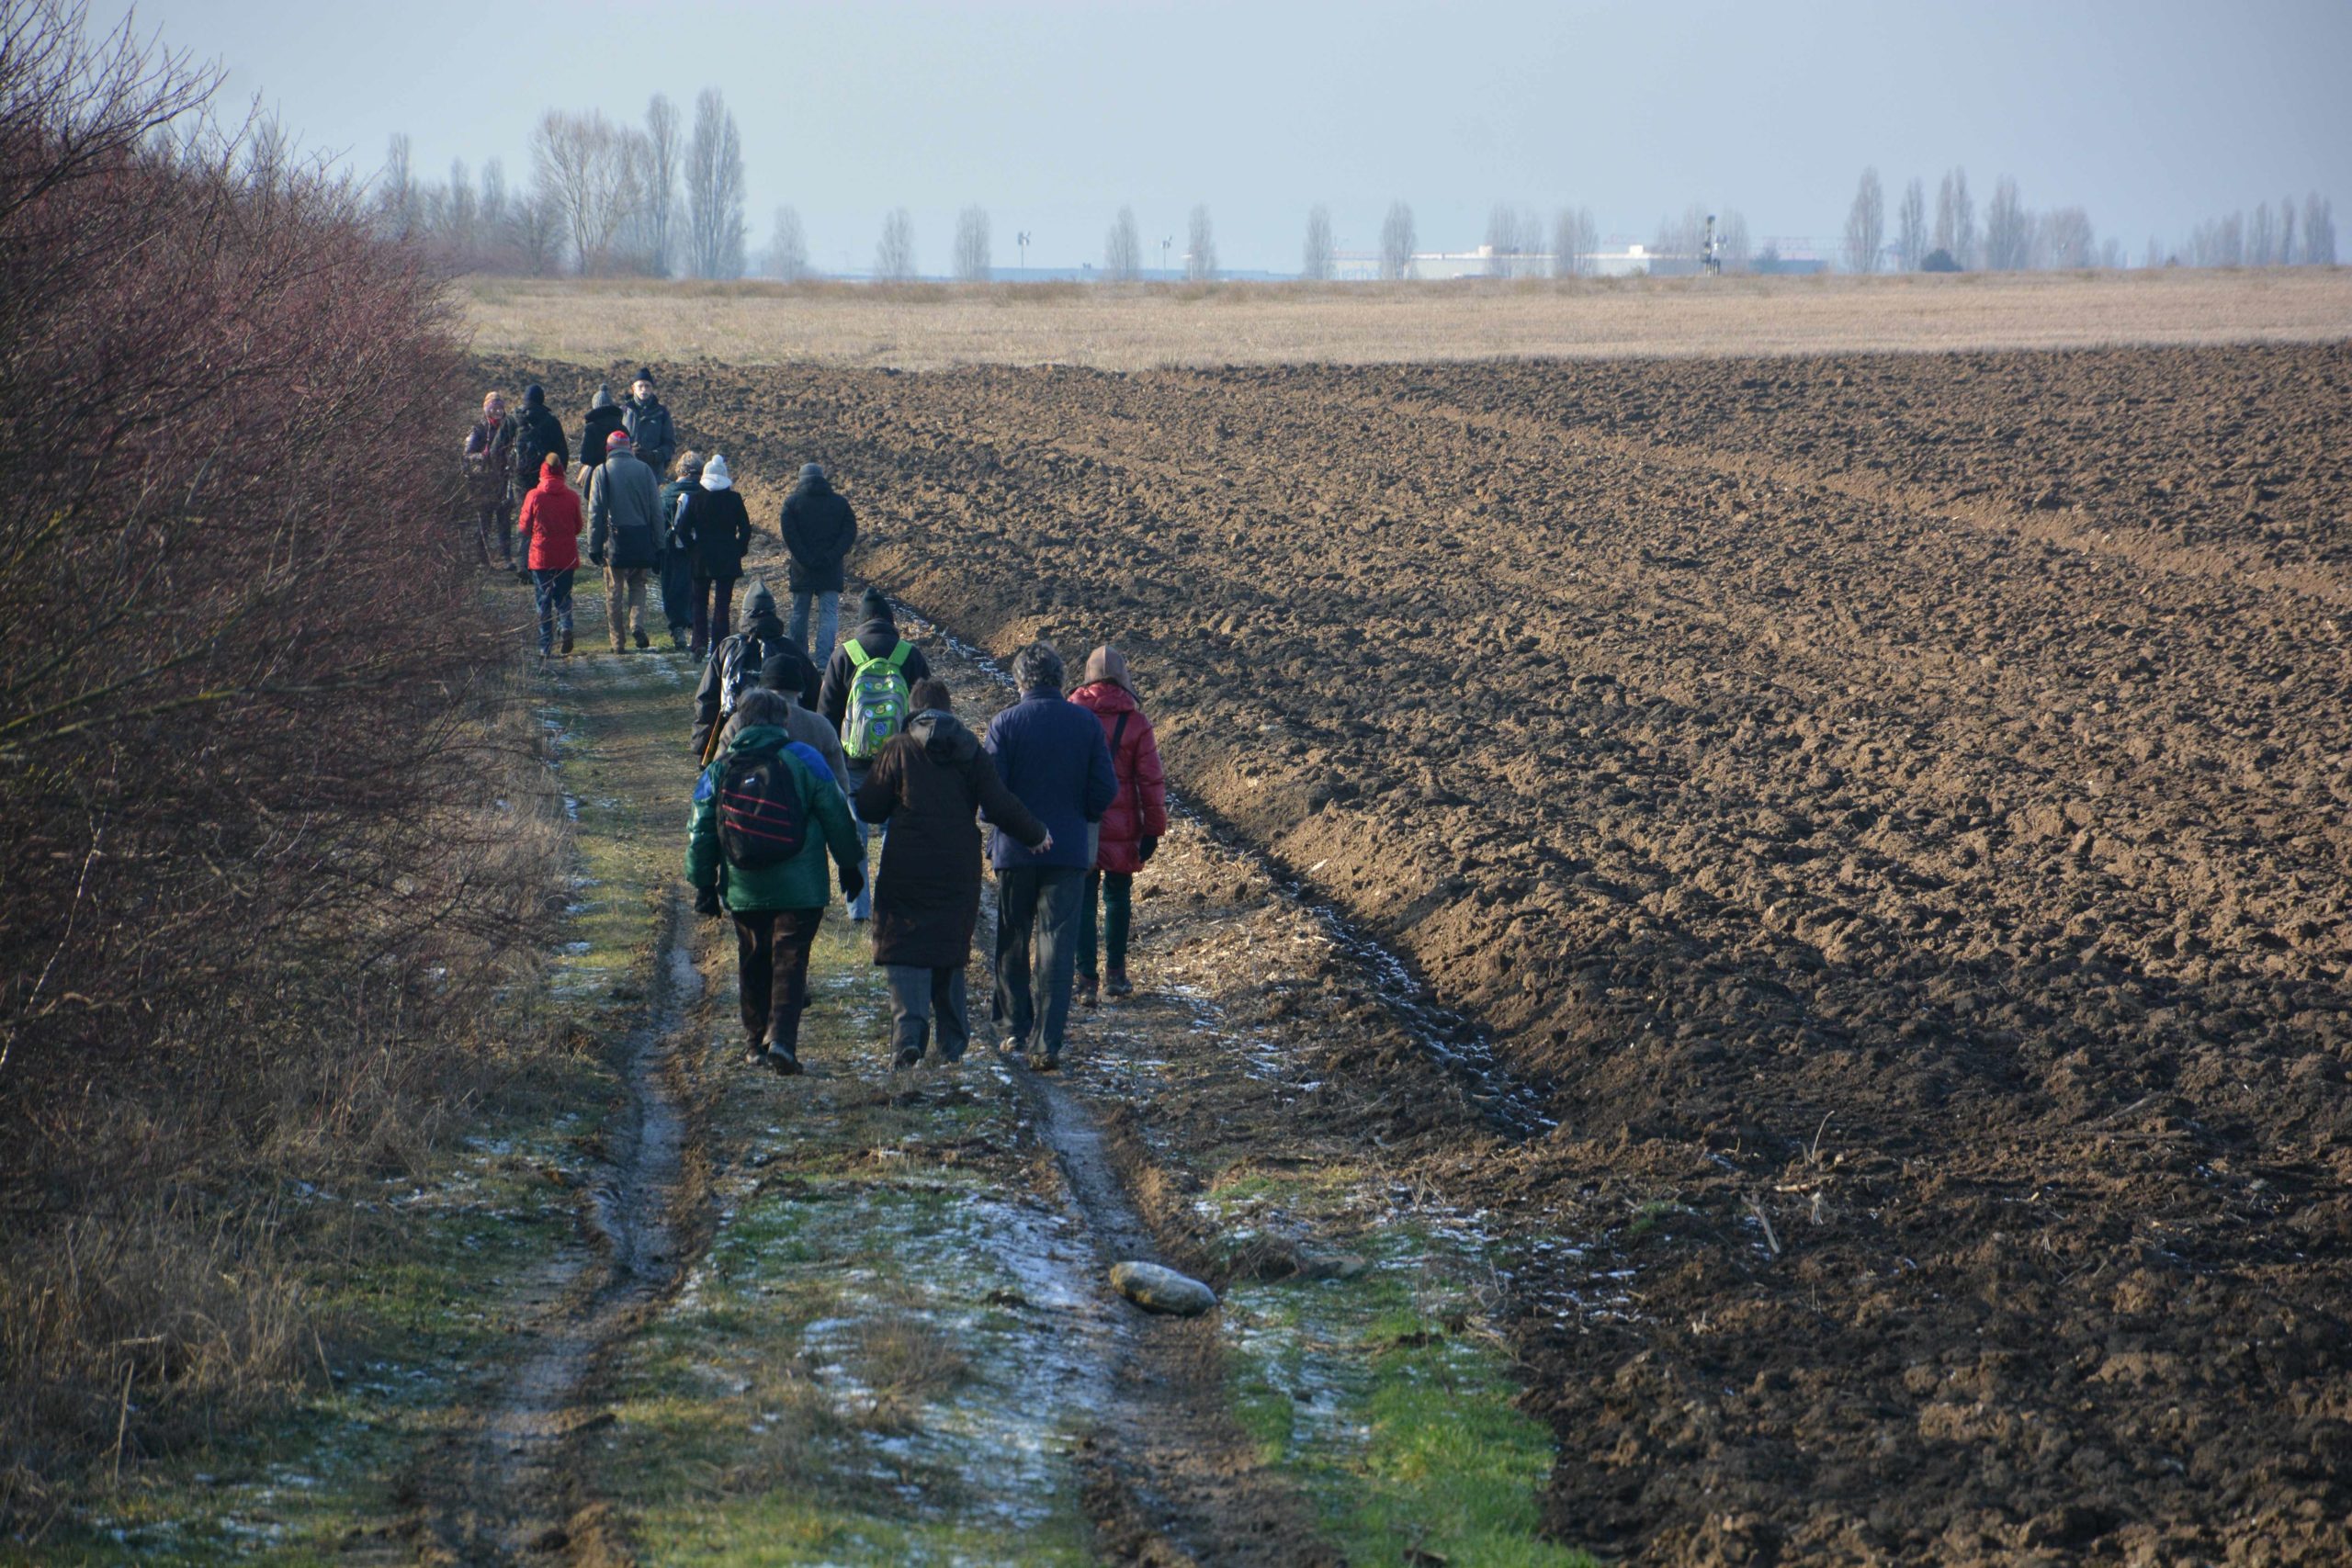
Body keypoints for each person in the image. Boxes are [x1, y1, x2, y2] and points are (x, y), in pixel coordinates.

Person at [855, 679, 1051, 1069]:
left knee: (905, 946)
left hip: (906, 863)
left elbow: (871, 808)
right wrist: (1036, 833)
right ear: (950, 708)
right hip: (957, 865)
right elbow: (998, 804)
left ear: (912, 710)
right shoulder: (970, 749)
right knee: (949, 949)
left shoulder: (898, 747)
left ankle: (908, 1038)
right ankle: (952, 1044)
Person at [686, 687, 865, 1075]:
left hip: (744, 885)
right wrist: (850, 865)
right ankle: (781, 1040)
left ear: (742, 722)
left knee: (753, 959)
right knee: (790, 959)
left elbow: (701, 829)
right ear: (784, 720)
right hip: (801, 888)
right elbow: (837, 812)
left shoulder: (720, 768)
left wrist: (704, 884)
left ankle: (754, 1044)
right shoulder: (807, 760)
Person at [982, 641, 1115, 1071]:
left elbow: (989, 798)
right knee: (1057, 945)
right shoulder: (1086, 724)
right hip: (1068, 851)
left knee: (1013, 939)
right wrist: (1080, 817)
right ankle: (1047, 1042)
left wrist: (1020, 828)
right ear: (1060, 679)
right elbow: (1104, 791)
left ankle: (1012, 1028)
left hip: (1014, 852)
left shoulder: (1004, 724)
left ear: (1019, 681)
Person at [820, 588, 933, 920]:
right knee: (893, 832)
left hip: (852, 762)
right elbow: (927, 711)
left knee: (852, 832)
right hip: (898, 761)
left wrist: (833, 757)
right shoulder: (908, 654)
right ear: (890, 621)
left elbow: (826, 712)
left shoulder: (845, 655)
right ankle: (890, 903)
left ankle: (858, 908)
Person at [1069, 647, 1169, 1006]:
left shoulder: (1072, 716)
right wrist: (1153, 829)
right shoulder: (1137, 723)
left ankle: (1085, 980)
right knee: (1118, 895)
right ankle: (1116, 975)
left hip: (1083, 822)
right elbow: (1151, 782)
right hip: (1124, 823)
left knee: (1082, 897)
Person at [692, 582, 815, 761]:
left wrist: (701, 745)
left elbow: (706, 700)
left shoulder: (728, 648)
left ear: (744, 614)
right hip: (785, 739)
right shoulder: (791, 650)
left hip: (735, 735)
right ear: (773, 613)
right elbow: (813, 696)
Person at [718, 650, 849, 794]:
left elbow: (716, 775)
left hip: (744, 809)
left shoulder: (739, 721)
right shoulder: (820, 726)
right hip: (803, 812)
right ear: (800, 692)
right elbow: (840, 784)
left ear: (761, 689)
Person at [674, 453, 754, 659]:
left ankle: (699, 643)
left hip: (701, 558)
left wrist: (693, 548)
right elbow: (745, 528)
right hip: (727, 557)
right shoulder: (734, 499)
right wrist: (739, 549)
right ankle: (721, 646)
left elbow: (682, 529)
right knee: (722, 605)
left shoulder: (695, 499)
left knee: (699, 603)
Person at [587, 430, 661, 651]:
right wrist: (659, 544)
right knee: (638, 584)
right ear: (629, 449)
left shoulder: (602, 472)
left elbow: (595, 512)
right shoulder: (645, 470)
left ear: (608, 450)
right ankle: (636, 624)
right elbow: (656, 510)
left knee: (614, 591)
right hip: (641, 539)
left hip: (614, 542)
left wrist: (594, 545)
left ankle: (617, 642)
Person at [779, 462, 855, 660]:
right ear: (822, 478)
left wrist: (805, 558)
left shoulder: (792, 503)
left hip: (802, 569)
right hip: (830, 569)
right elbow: (849, 533)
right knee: (829, 615)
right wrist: (832, 556)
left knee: (799, 614)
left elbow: (790, 535)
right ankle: (824, 660)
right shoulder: (840, 504)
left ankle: (798, 657)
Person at [514, 452, 582, 668]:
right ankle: (566, 625)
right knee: (563, 596)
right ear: (562, 472)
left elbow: (524, 527)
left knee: (543, 600)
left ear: (543, 471)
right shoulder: (572, 496)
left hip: (541, 555)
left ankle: (545, 646)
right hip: (565, 554)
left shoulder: (534, 496)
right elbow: (579, 527)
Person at [510, 385, 570, 579]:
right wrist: (558, 477)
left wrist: (507, 471)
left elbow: (496, 449)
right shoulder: (551, 421)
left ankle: (523, 565)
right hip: (543, 478)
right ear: (542, 399)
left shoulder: (512, 419)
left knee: (525, 519)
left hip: (519, 477)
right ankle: (543, 564)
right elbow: (562, 452)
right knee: (544, 521)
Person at [655, 451, 704, 651]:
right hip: (698, 548)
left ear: (680, 470)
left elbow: (659, 522)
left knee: (672, 587)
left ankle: (677, 627)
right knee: (696, 587)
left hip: (672, 548)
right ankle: (696, 627)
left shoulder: (667, 493)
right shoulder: (704, 494)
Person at [461, 391, 516, 568]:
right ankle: (482, 560)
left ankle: (506, 559)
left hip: (504, 479)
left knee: (504, 521)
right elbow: (467, 455)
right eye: (493, 408)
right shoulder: (478, 429)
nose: (497, 412)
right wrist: (482, 457)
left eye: (500, 408)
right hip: (483, 482)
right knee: (483, 522)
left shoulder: (509, 427)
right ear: (486, 409)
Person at [622, 368, 675, 478]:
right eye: (640, 386)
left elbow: (669, 445)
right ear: (633, 388)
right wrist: (629, 451)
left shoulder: (661, 413)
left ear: (652, 388)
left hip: (652, 474)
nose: (644, 390)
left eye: (647, 386)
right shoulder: (623, 412)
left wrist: (653, 456)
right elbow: (614, 441)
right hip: (626, 472)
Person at [578, 384, 626, 499]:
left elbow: (585, 458)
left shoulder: (591, 428)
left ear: (594, 406)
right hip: (619, 475)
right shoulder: (622, 428)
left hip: (596, 475)